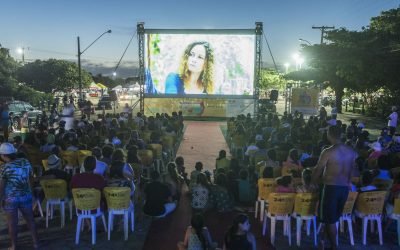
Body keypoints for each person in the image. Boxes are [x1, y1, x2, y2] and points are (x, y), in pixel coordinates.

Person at [311, 125, 358, 250]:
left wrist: (312, 182)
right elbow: (352, 171)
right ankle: (325, 241)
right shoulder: (351, 151)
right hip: (344, 188)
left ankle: (334, 246)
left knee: (329, 219)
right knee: (332, 218)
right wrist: (348, 184)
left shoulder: (328, 151)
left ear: (329, 135)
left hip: (330, 188)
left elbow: (318, 169)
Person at [0, 143, 39, 250]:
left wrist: (1, 198)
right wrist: (31, 192)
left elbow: (2, 186)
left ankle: (14, 245)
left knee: (12, 223)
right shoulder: (25, 162)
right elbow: (31, 178)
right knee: (30, 220)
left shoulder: (4, 168)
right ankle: (36, 243)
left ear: (3, 155)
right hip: (25, 196)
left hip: (11, 198)